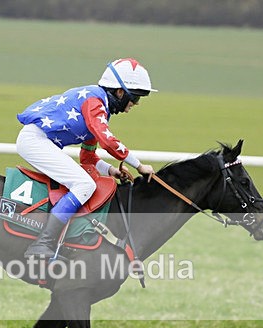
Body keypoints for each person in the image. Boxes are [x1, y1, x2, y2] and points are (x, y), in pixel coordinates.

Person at [16, 58, 157, 259]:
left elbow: (88, 157)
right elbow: (108, 141)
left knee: (83, 180)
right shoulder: (94, 103)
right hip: (35, 141)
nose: (135, 104)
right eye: (135, 98)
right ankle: (43, 244)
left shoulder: (99, 106)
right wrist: (139, 165)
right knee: (84, 185)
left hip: (39, 141)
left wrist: (111, 171)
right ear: (120, 92)